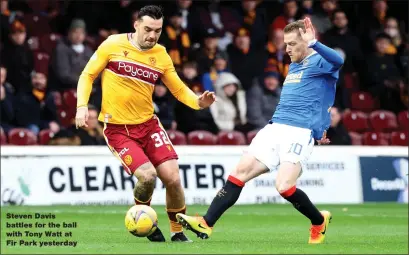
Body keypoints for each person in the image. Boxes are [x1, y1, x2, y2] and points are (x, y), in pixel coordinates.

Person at [176, 18, 344, 244]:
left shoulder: (321, 61)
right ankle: (206, 223)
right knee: (239, 171)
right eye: (285, 44)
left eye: (292, 44)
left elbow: (338, 61)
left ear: (306, 41)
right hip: (275, 127)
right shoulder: (294, 65)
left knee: (283, 187)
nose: (287, 49)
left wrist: (314, 43)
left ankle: (318, 221)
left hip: (299, 132)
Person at [75, 5, 216, 242]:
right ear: (136, 24)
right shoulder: (112, 44)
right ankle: (145, 222)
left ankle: (177, 232)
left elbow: (179, 90)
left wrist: (198, 102)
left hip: (149, 125)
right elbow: (87, 75)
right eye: (148, 29)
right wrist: (81, 106)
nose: (152, 35)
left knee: (172, 178)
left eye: (158, 31)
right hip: (118, 129)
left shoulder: (161, 55)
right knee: (148, 176)